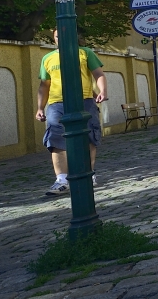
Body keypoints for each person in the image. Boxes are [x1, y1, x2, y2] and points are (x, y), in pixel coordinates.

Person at [35, 29, 107, 197]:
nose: (61, 38)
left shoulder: (85, 53)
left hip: (84, 101)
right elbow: (44, 85)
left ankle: (89, 174)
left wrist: (102, 90)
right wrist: (40, 107)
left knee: (89, 136)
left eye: (65, 34)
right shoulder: (48, 58)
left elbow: (98, 74)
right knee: (55, 139)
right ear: (54, 40)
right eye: (57, 36)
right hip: (56, 104)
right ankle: (62, 180)